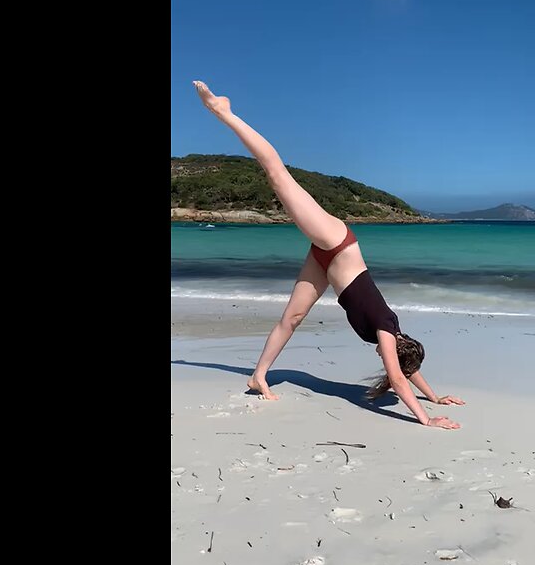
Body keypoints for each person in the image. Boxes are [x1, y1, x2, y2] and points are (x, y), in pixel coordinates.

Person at [193, 80, 464, 429]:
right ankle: (224, 111)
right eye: (389, 360)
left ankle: (258, 376)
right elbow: (398, 379)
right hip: (336, 242)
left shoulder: (393, 336)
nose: (384, 362)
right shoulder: (384, 329)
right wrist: (427, 419)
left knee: (291, 319)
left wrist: (435, 396)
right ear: (394, 350)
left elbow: (407, 371)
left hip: (325, 262)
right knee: (277, 175)